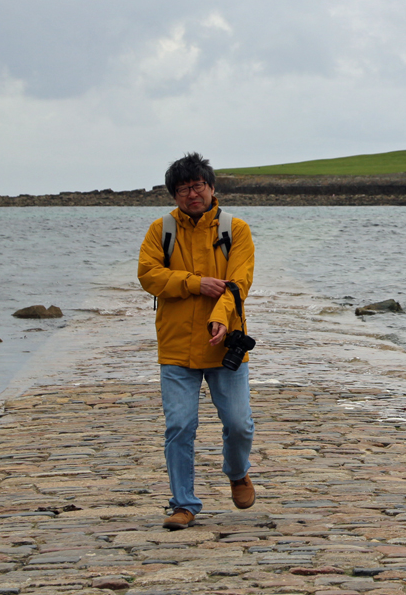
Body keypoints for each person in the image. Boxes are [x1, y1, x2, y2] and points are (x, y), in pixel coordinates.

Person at [138, 153, 256, 530]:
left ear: (211, 187)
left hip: (225, 346)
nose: (192, 194)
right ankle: (183, 504)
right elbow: (149, 275)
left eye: (198, 186)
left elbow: (239, 283)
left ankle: (238, 473)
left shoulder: (236, 229)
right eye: (184, 189)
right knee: (179, 426)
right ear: (174, 195)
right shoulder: (161, 230)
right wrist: (193, 282)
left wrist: (219, 319)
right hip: (175, 346)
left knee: (239, 424)